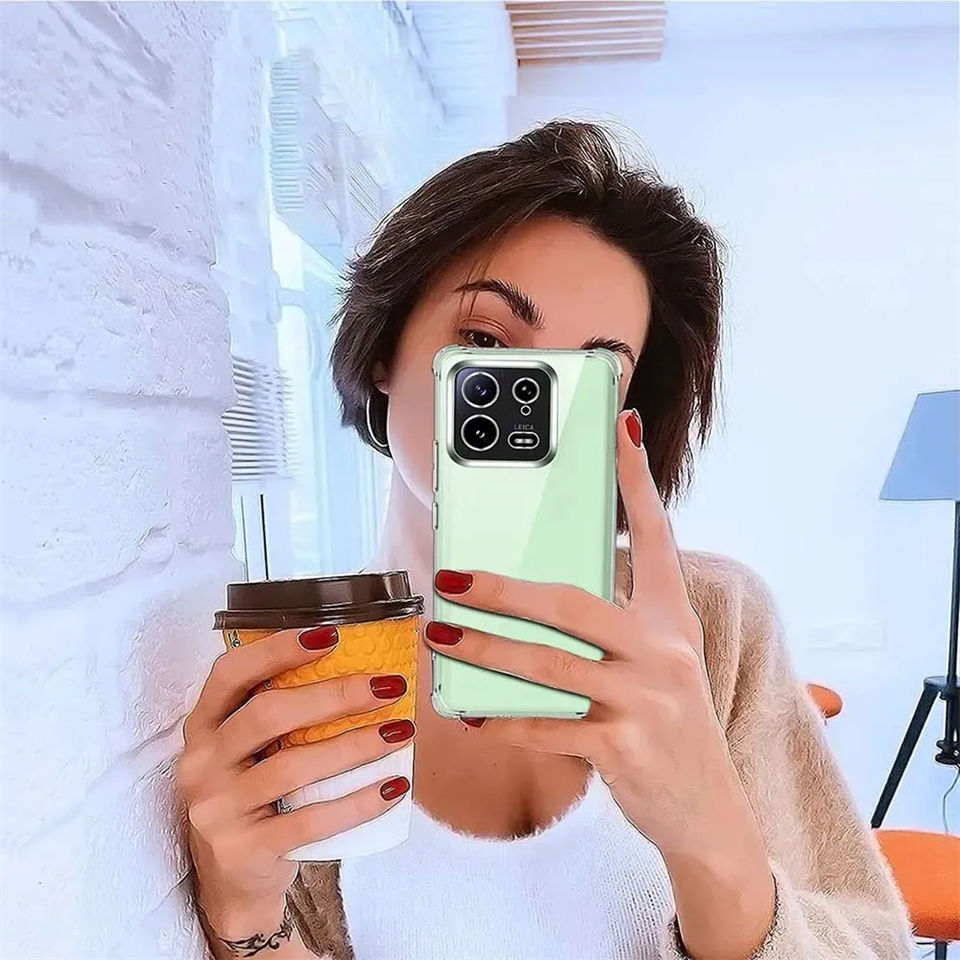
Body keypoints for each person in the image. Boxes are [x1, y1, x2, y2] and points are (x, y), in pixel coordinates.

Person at [179, 120, 913, 960]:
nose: (534, 410)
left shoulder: (714, 625)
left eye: (592, 375)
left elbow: (872, 944)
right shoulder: (314, 666)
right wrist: (247, 922)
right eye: (487, 344)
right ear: (386, 351)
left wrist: (711, 831)